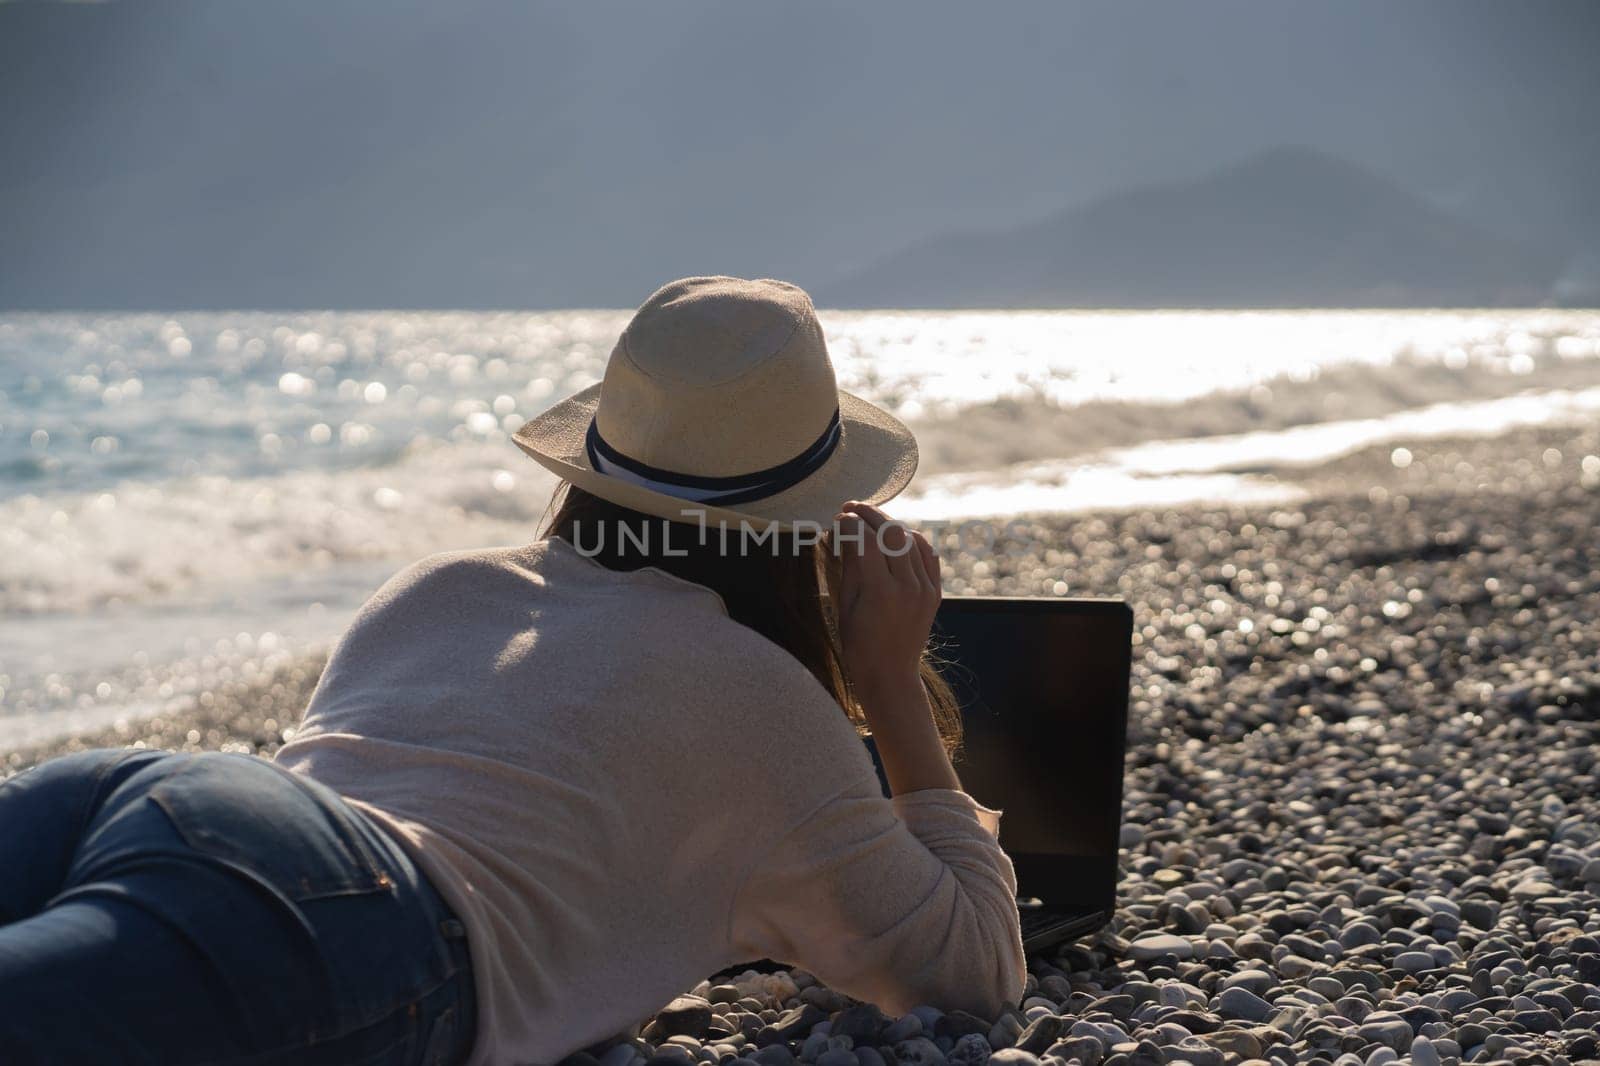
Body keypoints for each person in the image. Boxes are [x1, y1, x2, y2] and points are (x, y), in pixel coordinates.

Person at [0, 277, 1026, 1065]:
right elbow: (972, 973)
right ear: (810, 520)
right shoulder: (760, 696)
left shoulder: (440, 585)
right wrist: (888, 679)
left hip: (150, 793)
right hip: (359, 921)